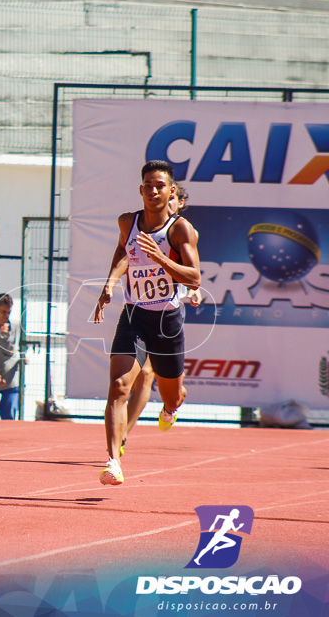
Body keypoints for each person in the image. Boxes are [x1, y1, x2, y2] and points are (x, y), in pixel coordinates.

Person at [93, 160, 200, 485]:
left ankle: (169, 409)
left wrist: (161, 259)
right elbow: (123, 252)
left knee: (172, 395)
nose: (153, 191)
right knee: (118, 386)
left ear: (171, 192)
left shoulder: (181, 229)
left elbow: (194, 278)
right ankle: (114, 461)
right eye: (148, 186)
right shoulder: (128, 222)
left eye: (160, 186)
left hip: (167, 320)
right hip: (134, 315)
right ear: (141, 190)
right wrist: (110, 283)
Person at [121, 184, 203, 455]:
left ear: (177, 203)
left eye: (172, 200)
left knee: (162, 385)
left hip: (168, 314)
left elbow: (192, 271)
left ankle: (172, 404)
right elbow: (127, 255)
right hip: (141, 311)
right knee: (142, 374)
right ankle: (122, 435)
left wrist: (195, 290)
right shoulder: (142, 228)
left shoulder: (184, 231)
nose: (164, 205)